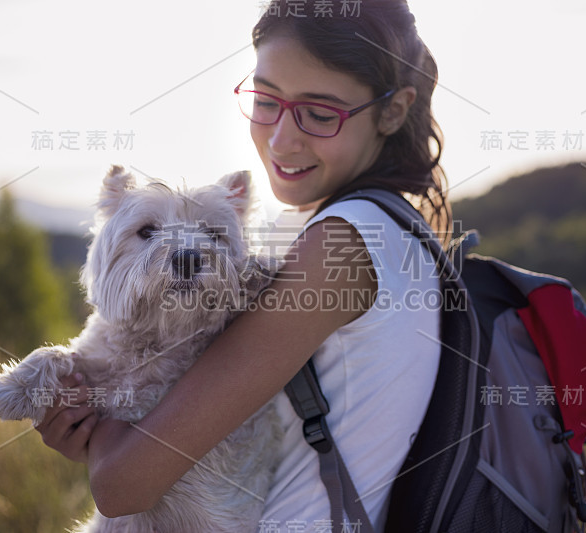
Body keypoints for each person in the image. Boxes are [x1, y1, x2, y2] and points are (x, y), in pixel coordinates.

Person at [37, 0, 450, 530]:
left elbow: (121, 483)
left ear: (393, 110)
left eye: (320, 114)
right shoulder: (397, 230)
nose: (281, 138)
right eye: (265, 99)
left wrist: (99, 431)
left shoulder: (341, 246)